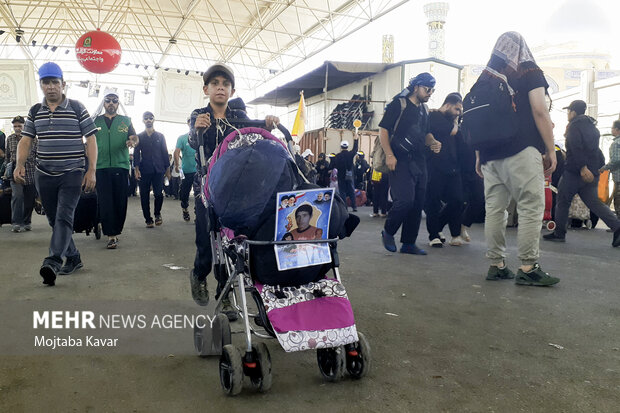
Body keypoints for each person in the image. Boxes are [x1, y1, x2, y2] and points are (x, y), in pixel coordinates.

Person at [187, 63, 279, 312]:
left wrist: (268, 124)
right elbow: (193, 142)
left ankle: (224, 293)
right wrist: (197, 129)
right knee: (206, 240)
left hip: (235, 191)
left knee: (230, 243)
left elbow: (257, 132)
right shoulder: (199, 115)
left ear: (232, 90)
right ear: (206, 89)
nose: (220, 88)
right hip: (206, 189)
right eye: (215, 84)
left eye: (225, 84)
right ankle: (198, 273)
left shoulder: (239, 118)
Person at [474, 32, 560, 286]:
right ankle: (528, 266)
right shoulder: (528, 70)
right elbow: (539, 110)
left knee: (495, 211)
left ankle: (497, 264)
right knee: (530, 207)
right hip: (521, 149)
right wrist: (550, 149)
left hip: (490, 156)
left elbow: (478, 120)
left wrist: (479, 155)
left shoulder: (485, 77)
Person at [15, 62, 98, 286]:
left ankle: (52, 260)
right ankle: (73, 257)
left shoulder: (77, 108)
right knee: (54, 220)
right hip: (44, 174)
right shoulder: (35, 111)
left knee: (64, 216)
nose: (51, 87)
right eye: (46, 82)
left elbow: (91, 139)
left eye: (55, 82)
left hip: (72, 172)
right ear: (41, 84)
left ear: (63, 84)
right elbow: (26, 140)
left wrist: (91, 170)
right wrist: (19, 164)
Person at [379, 72, 441, 255]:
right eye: (427, 89)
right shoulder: (399, 104)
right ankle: (388, 231)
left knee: (417, 203)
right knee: (405, 200)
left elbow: (426, 134)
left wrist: (434, 142)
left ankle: (408, 243)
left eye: (432, 90)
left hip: (420, 161)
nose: (430, 93)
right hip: (399, 160)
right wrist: (389, 155)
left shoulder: (424, 110)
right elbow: (383, 130)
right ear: (416, 88)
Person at [543, 100, 620, 246]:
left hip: (575, 171)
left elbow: (576, 149)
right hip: (591, 172)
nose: (567, 114)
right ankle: (617, 226)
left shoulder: (574, 127)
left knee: (563, 200)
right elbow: (595, 151)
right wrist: (594, 169)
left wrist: (582, 168)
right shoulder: (593, 127)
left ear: (573, 112)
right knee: (594, 203)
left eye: (568, 111)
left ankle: (559, 233)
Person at [93, 92, 139, 249]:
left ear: (118, 104)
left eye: (114, 101)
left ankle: (115, 230)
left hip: (121, 166)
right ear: (104, 103)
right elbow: (89, 141)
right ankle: (111, 235)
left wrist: (133, 140)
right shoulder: (95, 121)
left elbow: (135, 137)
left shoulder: (126, 121)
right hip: (100, 166)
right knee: (105, 201)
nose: (111, 103)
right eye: (108, 101)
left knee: (119, 201)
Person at [425, 92, 465, 247]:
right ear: (447, 105)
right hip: (435, 166)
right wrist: (456, 122)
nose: (458, 113)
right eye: (456, 109)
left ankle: (445, 228)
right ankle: (433, 235)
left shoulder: (451, 120)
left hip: (453, 167)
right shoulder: (434, 117)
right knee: (433, 202)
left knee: (457, 200)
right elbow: (452, 131)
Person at [134, 111, 170, 228]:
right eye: (146, 118)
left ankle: (157, 214)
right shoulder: (139, 136)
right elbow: (136, 154)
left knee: (159, 194)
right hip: (144, 170)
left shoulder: (160, 136)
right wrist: (136, 169)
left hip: (158, 170)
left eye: (150, 118)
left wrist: (168, 170)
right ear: (143, 120)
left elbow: (165, 153)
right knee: (144, 196)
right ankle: (148, 219)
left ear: (154, 120)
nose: (148, 120)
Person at [5, 116, 37, 232]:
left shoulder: (33, 139)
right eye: (15, 126)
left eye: (19, 126)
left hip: (31, 173)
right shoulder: (10, 139)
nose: (17, 128)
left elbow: (38, 156)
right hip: (15, 173)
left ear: (25, 126)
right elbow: (8, 156)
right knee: (17, 196)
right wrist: (7, 171)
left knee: (29, 200)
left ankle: (27, 221)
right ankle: (16, 223)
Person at [174, 118, 197, 222]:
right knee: (184, 193)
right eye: (191, 122)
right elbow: (176, 152)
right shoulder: (182, 138)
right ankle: (185, 209)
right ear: (188, 124)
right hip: (185, 171)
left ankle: (198, 214)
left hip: (199, 171)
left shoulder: (202, 137)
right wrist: (176, 165)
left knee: (200, 194)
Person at [600, 119, 620, 219]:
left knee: (618, 200)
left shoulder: (616, 143)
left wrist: (604, 168)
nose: (611, 130)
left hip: (618, 177)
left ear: (617, 129)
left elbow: (616, 160)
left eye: (612, 128)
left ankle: (617, 225)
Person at [331, 139, 359, 211]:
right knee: (351, 191)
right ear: (347, 146)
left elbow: (335, 165)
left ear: (341, 147)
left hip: (341, 176)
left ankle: (344, 207)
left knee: (342, 192)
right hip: (349, 176)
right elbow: (355, 149)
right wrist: (356, 140)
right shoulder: (350, 154)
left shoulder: (337, 156)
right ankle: (354, 206)